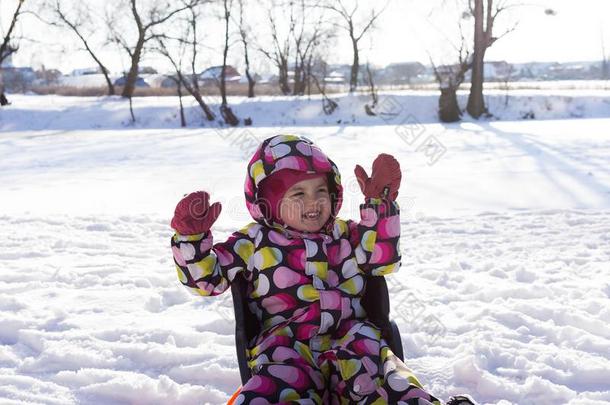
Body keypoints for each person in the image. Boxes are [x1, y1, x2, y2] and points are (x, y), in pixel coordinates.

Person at [171, 135, 475, 404]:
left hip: (353, 339)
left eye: (321, 190)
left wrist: (380, 207)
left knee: (385, 378)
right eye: (298, 194)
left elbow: (382, 260)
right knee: (273, 389)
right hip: (286, 345)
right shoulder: (253, 242)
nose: (314, 201)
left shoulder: (346, 234)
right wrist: (191, 239)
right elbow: (207, 281)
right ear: (269, 202)